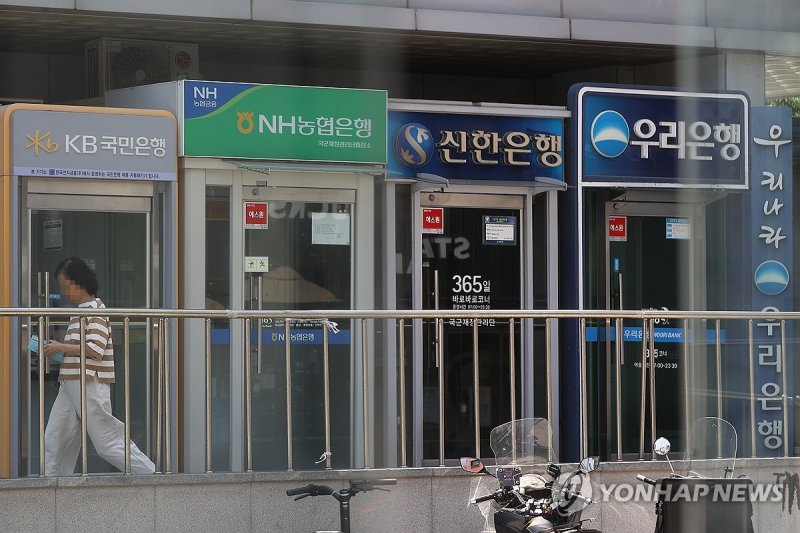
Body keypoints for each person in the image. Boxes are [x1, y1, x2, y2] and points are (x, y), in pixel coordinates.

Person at [41, 256, 155, 475]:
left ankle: (150, 474)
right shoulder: (84, 310)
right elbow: (85, 351)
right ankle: (53, 485)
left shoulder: (95, 310)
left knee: (106, 442)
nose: (64, 292)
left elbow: (95, 349)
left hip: (88, 383)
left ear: (78, 283)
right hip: (74, 383)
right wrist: (57, 349)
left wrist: (60, 347)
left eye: (65, 286)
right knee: (55, 439)